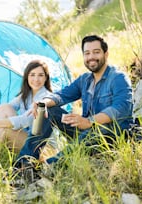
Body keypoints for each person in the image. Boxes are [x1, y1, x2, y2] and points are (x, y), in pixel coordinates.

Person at [15, 35, 133, 168]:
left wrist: (89, 121)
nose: (91, 57)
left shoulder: (118, 77)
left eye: (96, 52)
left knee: (91, 133)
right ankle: (24, 165)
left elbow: (122, 108)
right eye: (87, 53)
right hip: (86, 130)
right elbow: (62, 95)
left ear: (106, 54)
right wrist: (42, 103)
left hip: (111, 134)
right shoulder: (85, 79)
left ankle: (47, 168)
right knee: (48, 110)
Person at [0, 59, 53, 156]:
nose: (36, 79)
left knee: (2, 129)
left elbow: (24, 120)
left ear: (46, 78)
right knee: (4, 107)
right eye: (32, 75)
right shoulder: (26, 95)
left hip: (42, 147)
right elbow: (7, 106)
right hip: (28, 139)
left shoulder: (46, 98)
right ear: (27, 77)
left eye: (40, 75)